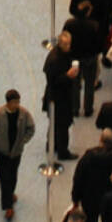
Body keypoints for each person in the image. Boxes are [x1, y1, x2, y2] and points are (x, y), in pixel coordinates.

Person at [0, 88, 35, 220]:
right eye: (14, 102)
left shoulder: (24, 114)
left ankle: (10, 193)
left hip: (16, 152)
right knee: (4, 178)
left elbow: (31, 128)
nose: (16, 105)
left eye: (18, 102)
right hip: (1, 154)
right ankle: (8, 206)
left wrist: (23, 142)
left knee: (13, 175)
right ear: (7, 102)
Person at [72, 129, 112, 222]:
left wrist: (75, 198)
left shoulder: (88, 158)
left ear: (100, 139)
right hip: (110, 198)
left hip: (89, 198)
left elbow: (78, 178)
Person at [42, 31, 79, 159]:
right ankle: (63, 151)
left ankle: (51, 144)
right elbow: (53, 81)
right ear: (61, 44)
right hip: (58, 98)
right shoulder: (54, 59)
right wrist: (68, 76)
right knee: (62, 125)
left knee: (54, 123)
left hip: (58, 96)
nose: (69, 47)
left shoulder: (60, 54)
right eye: (67, 44)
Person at [63, 1, 103, 117]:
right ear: (88, 12)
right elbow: (98, 42)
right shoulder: (94, 25)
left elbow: (64, 38)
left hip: (74, 58)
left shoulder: (69, 23)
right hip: (89, 58)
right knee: (89, 84)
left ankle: (75, 109)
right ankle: (88, 108)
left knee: (75, 83)